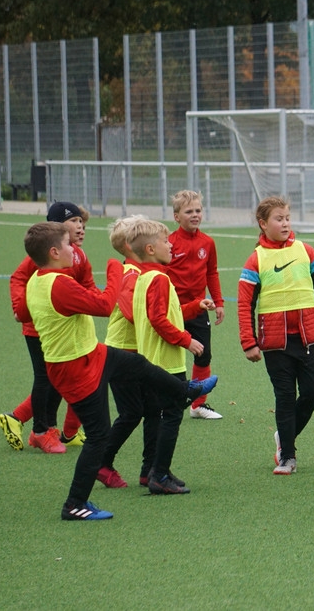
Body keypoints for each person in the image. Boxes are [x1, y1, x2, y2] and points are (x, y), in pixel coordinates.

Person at [18, 221, 217, 520]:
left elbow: (24, 311)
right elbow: (104, 305)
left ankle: (184, 390)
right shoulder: (58, 283)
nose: (75, 249)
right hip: (75, 364)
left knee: (138, 366)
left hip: (91, 353)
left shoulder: (39, 280)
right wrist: (114, 271)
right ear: (54, 252)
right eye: (69, 244)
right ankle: (74, 504)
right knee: (99, 435)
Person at [237, 196, 314, 475]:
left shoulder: (306, 251)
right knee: (284, 396)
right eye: (278, 219)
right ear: (263, 224)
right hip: (275, 344)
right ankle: (288, 457)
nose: (285, 224)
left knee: (312, 391)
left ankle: (284, 436)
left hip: (308, 338)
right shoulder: (256, 259)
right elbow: (245, 304)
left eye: (287, 218)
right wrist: (248, 342)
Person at [128, 218, 215, 495]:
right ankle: (160, 474)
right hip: (165, 361)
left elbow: (167, 313)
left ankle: (151, 470)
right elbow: (158, 320)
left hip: (150, 359)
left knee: (156, 415)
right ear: (151, 249)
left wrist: (195, 306)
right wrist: (187, 340)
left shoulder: (144, 277)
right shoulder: (160, 279)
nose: (171, 246)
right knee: (172, 413)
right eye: (165, 242)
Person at [0, 201, 91, 454]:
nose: (80, 227)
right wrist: (19, 308)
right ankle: (40, 430)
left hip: (61, 327)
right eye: (74, 222)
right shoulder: (45, 254)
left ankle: (42, 427)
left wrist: (92, 301)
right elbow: (18, 277)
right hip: (38, 327)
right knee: (46, 378)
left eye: (82, 222)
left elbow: (86, 286)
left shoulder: (78, 255)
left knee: (58, 378)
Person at [95, 215, 163, 489]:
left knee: (150, 409)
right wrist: (165, 322)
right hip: (124, 352)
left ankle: (149, 469)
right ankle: (103, 461)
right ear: (129, 244)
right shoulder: (131, 274)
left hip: (136, 351)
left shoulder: (140, 271)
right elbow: (133, 312)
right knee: (134, 412)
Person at [167, 190, 225, 420]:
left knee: (204, 354)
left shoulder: (207, 242)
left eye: (198, 210)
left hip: (199, 309)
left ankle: (198, 405)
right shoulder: (169, 243)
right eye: (189, 211)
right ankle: (163, 402)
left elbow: (212, 273)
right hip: (173, 311)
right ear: (176, 216)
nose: (195, 215)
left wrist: (218, 302)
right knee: (167, 359)